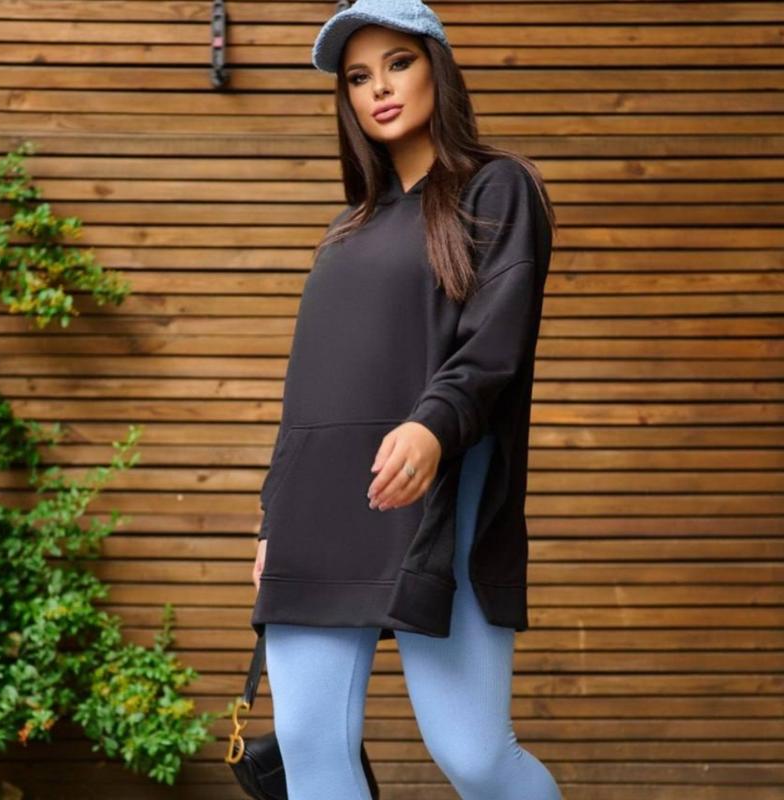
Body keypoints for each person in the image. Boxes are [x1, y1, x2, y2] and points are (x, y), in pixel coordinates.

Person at [250, 1, 563, 797]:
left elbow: (494, 345)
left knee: (476, 756)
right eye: (359, 77)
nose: (379, 89)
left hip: (435, 490)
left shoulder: (497, 188)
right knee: (310, 746)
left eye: (398, 63)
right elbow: (308, 387)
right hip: (318, 507)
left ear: (437, 69)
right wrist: (273, 519)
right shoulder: (348, 227)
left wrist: (431, 426)